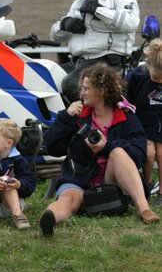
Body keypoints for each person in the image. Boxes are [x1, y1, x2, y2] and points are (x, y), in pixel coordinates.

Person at [41, 63, 159, 237]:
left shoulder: (126, 116)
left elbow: (139, 154)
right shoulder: (77, 115)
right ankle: (50, 218)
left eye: (86, 88)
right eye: (82, 88)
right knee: (68, 199)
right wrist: (66, 117)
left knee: (118, 152)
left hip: (113, 181)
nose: (82, 93)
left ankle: (144, 208)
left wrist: (106, 147)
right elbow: (52, 147)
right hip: (80, 179)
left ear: (102, 90)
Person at [50, 0, 140, 102]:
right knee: (46, 77)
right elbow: (54, 36)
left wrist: (97, 10)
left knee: (71, 84)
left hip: (107, 62)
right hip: (78, 63)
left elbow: (131, 23)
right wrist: (65, 24)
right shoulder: (79, 2)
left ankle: (94, 117)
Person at [127, 38, 162, 206]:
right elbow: (127, 102)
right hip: (141, 122)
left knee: (161, 154)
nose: (159, 82)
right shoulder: (136, 76)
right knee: (148, 154)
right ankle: (146, 186)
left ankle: (161, 193)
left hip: (160, 122)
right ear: (148, 66)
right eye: (156, 78)